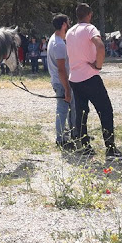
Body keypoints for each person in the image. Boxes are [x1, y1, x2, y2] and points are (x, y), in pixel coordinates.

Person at [66, 3, 122, 160]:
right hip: (90, 76)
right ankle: (110, 149)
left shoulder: (70, 32)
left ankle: (84, 146)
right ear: (90, 14)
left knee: (81, 113)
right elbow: (100, 46)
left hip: (75, 77)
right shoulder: (90, 29)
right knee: (105, 110)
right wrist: (98, 65)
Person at [47, 14, 77, 150]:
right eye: (68, 22)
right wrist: (67, 89)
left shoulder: (55, 40)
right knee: (63, 110)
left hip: (59, 81)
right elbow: (61, 69)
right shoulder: (58, 44)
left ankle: (72, 134)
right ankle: (61, 139)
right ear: (64, 24)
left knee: (68, 109)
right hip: (61, 82)